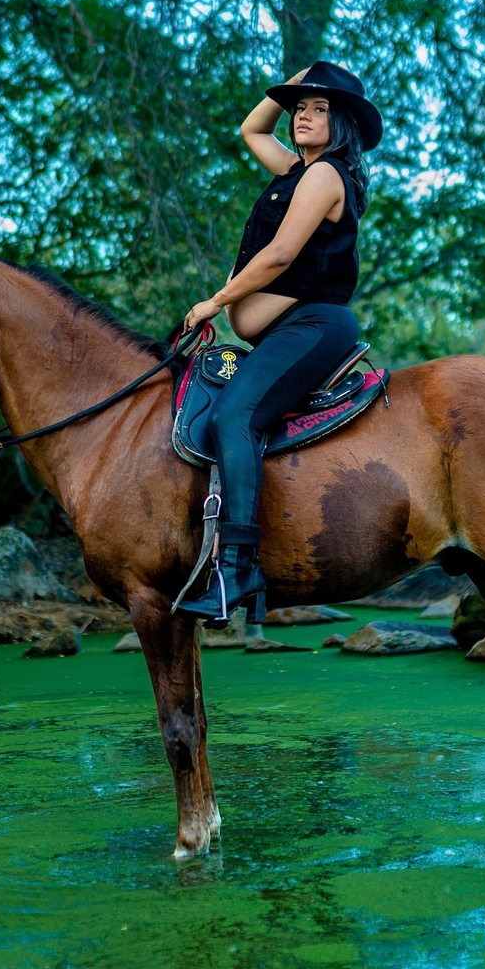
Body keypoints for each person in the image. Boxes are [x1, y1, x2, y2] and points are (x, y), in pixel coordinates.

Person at [178, 60, 382, 622]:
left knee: (234, 418)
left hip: (315, 326)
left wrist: (215, 303)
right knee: (230, 411)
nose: (303, 116)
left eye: (319, 110)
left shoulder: (324, 176)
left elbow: (280, 256)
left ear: (342, 125)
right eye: (299, 109)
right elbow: (250, 129)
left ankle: (237, 570)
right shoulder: (298, 169)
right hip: (294, 326)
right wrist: (298, 80)